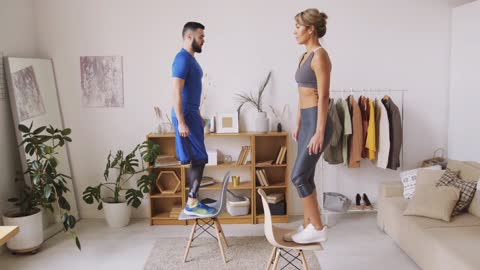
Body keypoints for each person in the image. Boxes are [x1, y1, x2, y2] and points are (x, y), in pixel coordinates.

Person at [284, 8, 333, 244]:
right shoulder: (304, 56)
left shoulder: (320, 56)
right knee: (307, 175)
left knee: (298, 176)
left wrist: (319, 132)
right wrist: (299, 123)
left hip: (318, 122)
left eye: (298, 27)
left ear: (310, 29)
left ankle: (318, 228)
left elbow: (323, 96)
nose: (294, 32)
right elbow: (301, 93)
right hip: (307, 121)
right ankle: (308, 225)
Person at [171, 22, 214, 217]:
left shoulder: (191, 60)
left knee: (199, 158)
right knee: (198, 158)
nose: (203, 40)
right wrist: (181, 120)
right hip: (184, 114)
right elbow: (176, 92)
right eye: (200, 36)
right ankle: (192, 203)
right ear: (189, 37)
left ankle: (193, 200)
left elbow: (191, 91)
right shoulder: (182, 59)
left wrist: (197, 114)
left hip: (191, 113)